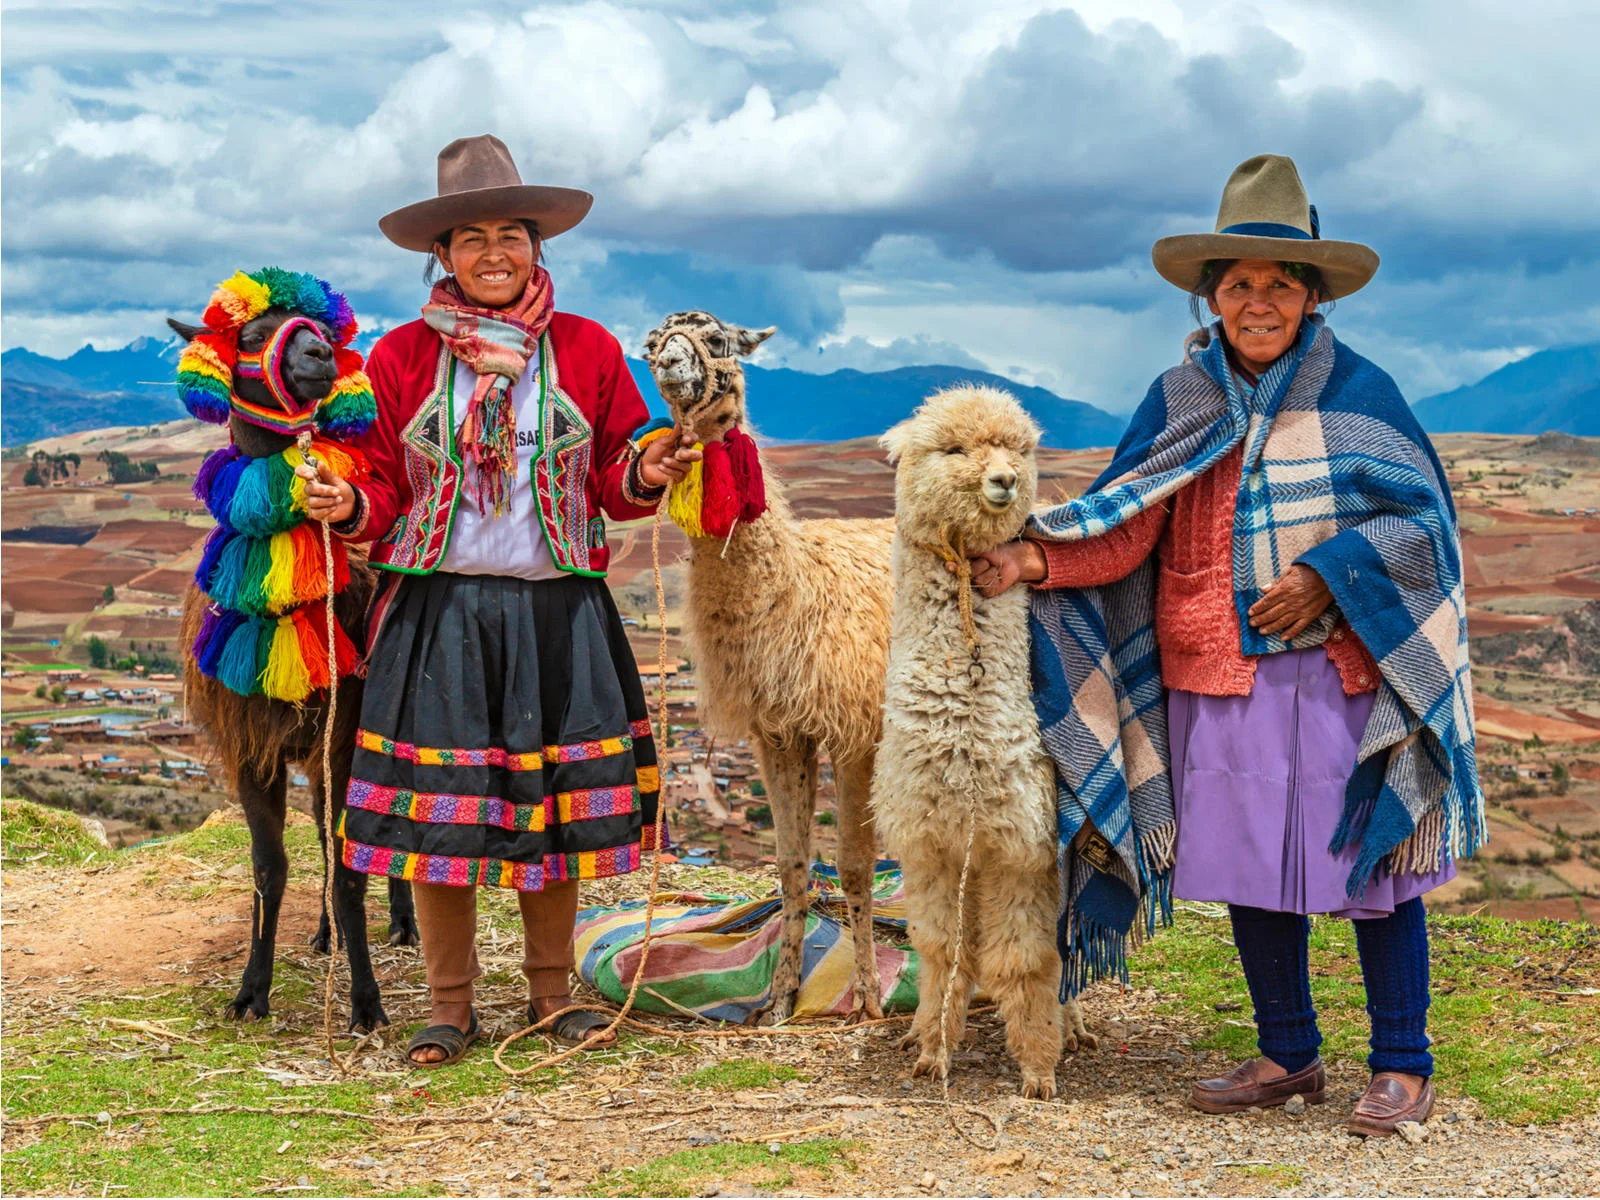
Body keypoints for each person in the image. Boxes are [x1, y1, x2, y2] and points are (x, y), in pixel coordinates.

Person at [967, 155, 1483, 1136]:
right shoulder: (1181, 396)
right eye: (1238, 284)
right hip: (1218, 670)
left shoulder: (1361, 395)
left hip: (1341, 674)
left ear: (1311, 295)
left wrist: (1328, 572)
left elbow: (1425, 530)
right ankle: (1288, 1054)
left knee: (1374, 867)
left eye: (1278, 284)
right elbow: (1129, 520)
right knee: (1252, 869)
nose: (1257, 301)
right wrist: (1034, 565)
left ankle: (1402, 1063)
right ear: (1211, 295)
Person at [304, 134, 698, 1066]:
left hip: (558, 610)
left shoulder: (590, 349)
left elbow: (614, 476)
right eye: (471, 236)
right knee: (445, 816)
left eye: (510, 234)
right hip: (440, 616)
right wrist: (349, 501)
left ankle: (553, 997)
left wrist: (646, 464)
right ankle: (449, 1006)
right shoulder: (399, 359)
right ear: (440, 255)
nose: (493, 252)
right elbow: (383, 487)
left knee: (549, 811)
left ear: (536, 246)